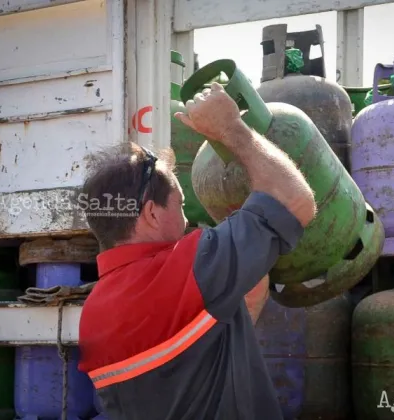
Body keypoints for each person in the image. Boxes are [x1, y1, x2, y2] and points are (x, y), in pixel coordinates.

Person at [77, 82, 316, 420]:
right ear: (152, 213)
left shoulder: (95, 312)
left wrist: (245, 248)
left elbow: (224, 323)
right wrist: (231, 128)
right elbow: (295, 201)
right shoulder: (182, 271)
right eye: (181, 205)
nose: (187, 219)